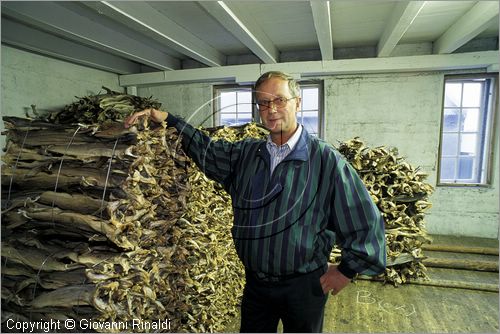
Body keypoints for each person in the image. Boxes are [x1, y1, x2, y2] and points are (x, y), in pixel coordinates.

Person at [124, 71, 386, 333]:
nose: (271, 110)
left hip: (304, 286)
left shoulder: (325, 160)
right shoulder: (247, 154)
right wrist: (170, 120)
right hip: (256, 286)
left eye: (280, 100)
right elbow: (207, 150)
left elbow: (364, 220)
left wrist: (346, 271)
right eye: (263, 103)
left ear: (298, 102)